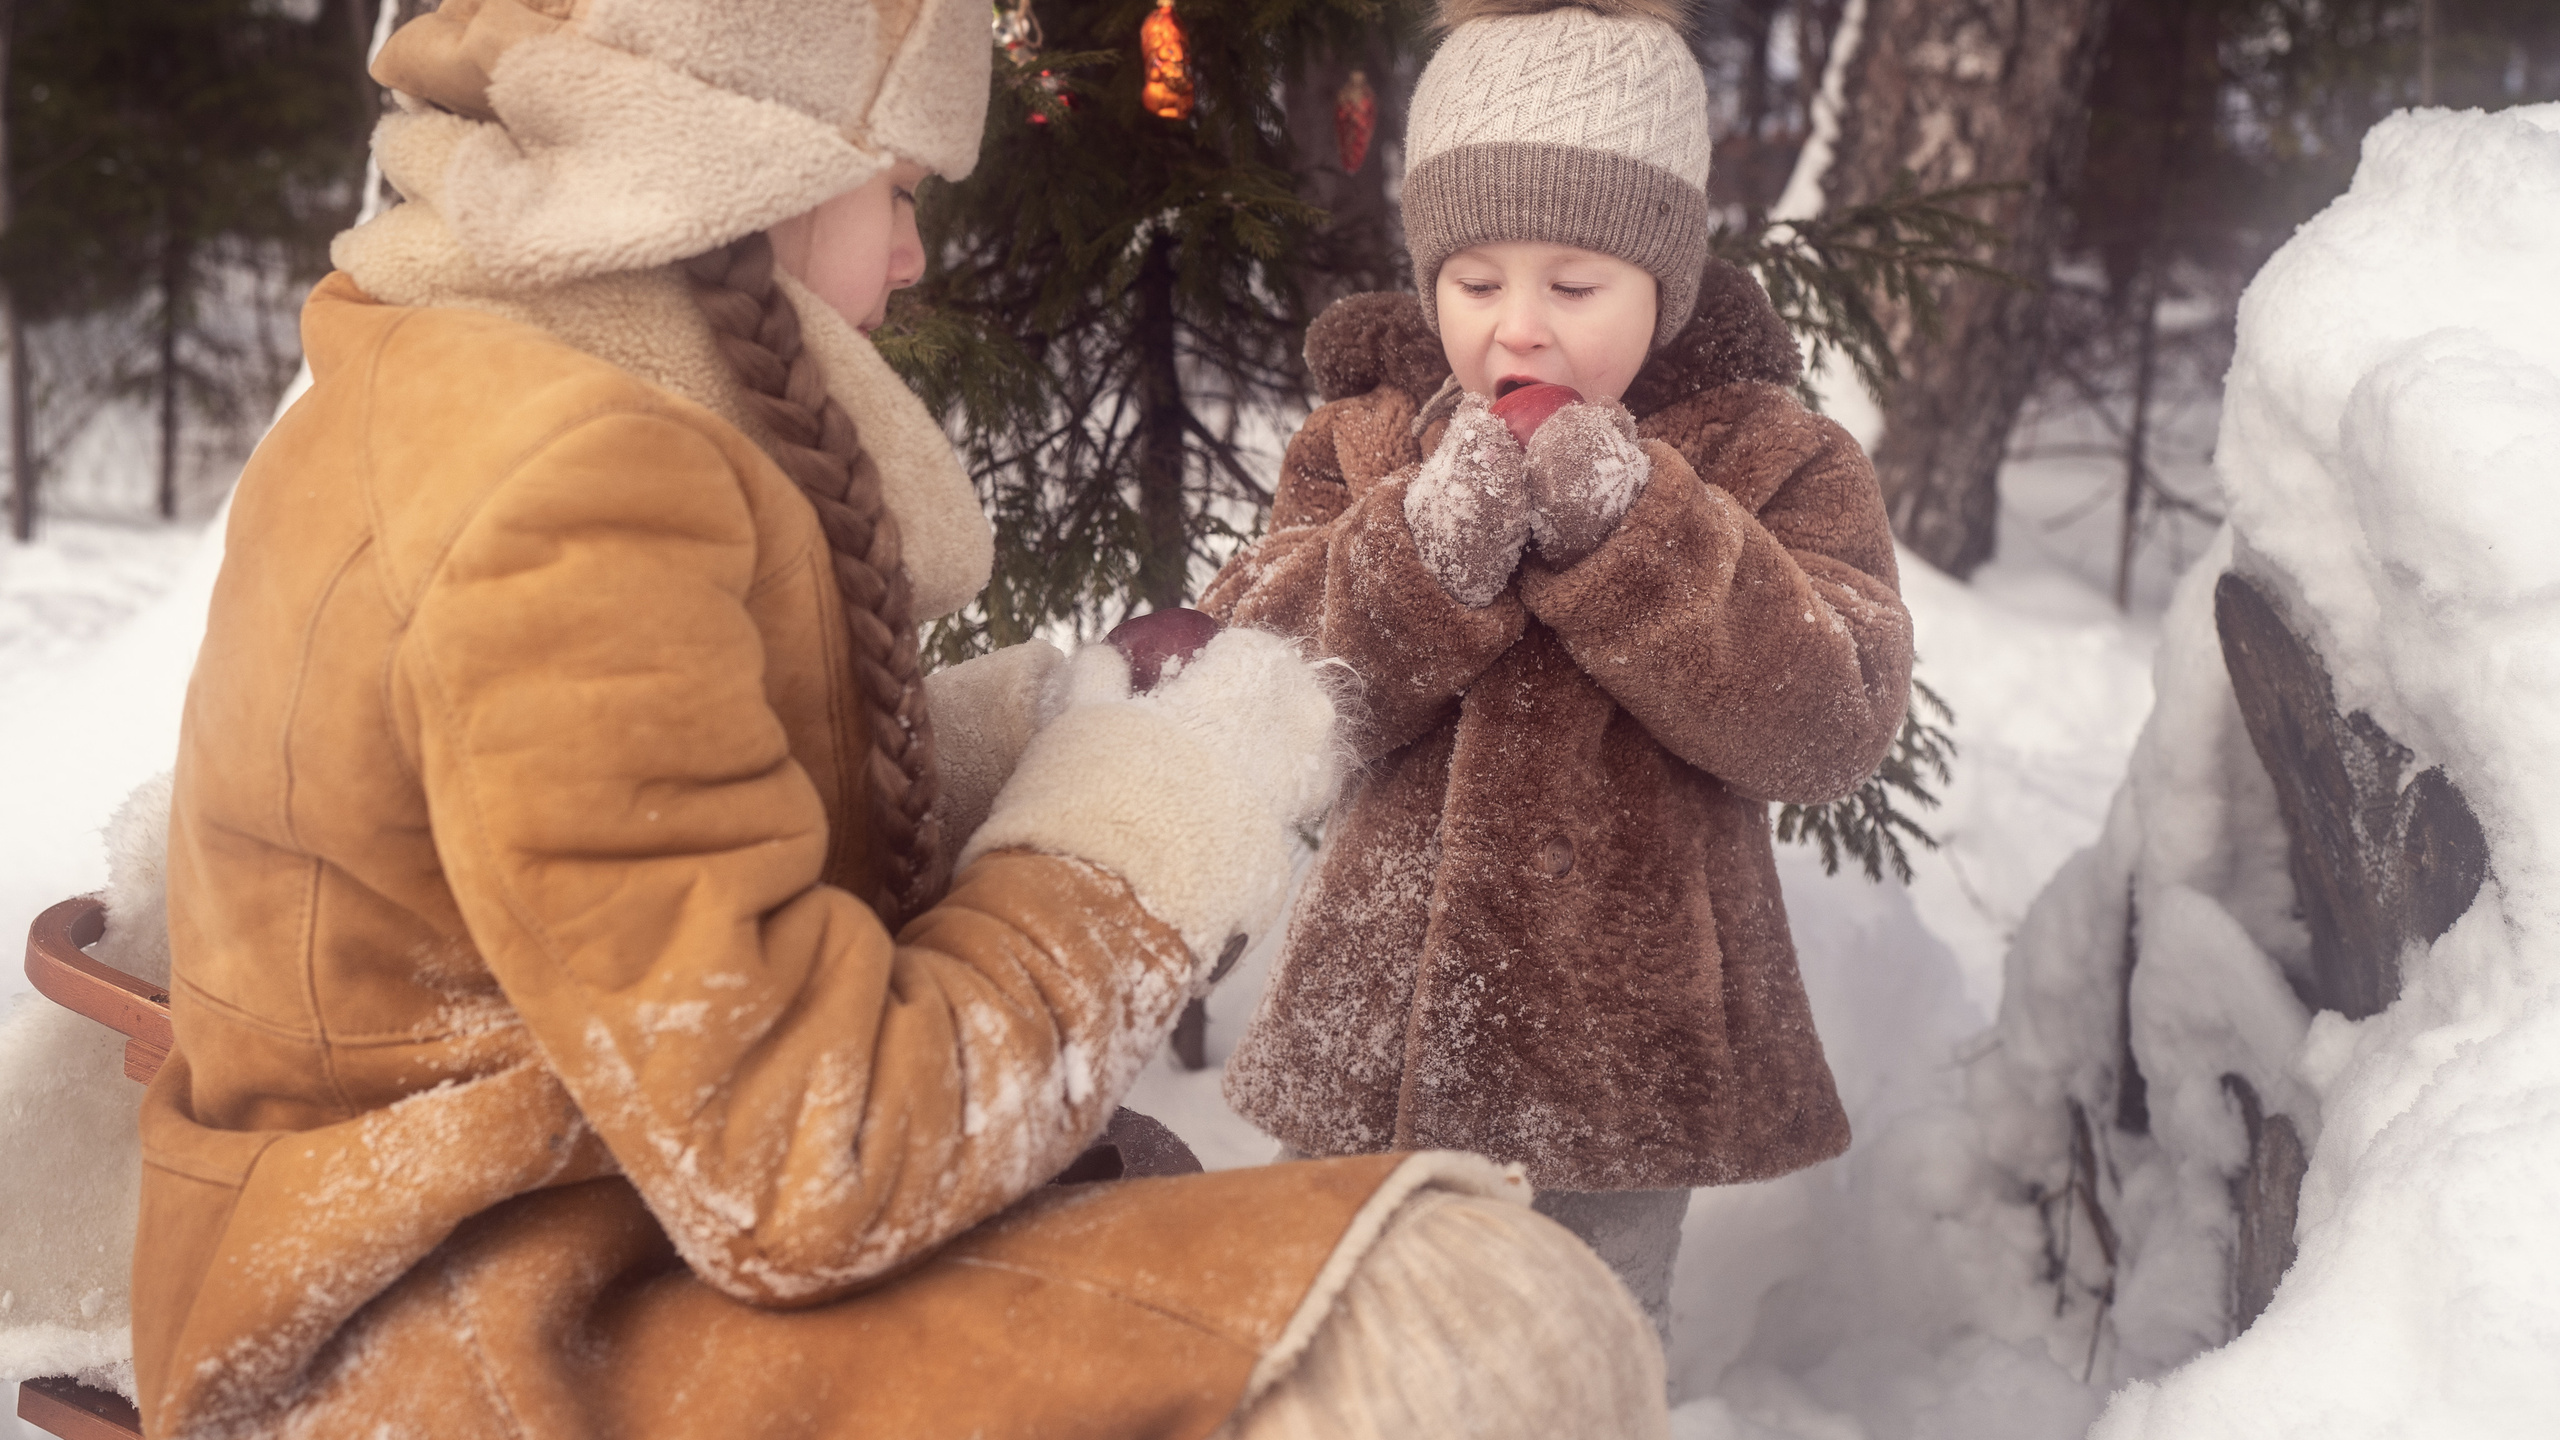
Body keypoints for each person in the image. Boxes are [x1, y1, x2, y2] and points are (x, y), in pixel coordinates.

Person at [128, 1, 1671, 1435]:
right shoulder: (579, 489)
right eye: (904, 192)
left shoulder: (477, 384)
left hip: (525, 1209)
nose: (919, 256)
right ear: (760, 177)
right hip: (473, 1312)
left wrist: (1032, 734)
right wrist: (1141, 831)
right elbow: (810, 1167)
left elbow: (605, 846)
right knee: (1476, 1329)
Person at [1200, 0, 1917, 1343]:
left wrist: (1646, 532)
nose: (1517, 331)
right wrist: (1413, 560)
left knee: (1583, 1350)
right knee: (1364, 1344)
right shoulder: (1362, 444)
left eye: (1574, 286)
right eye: (1475, 282)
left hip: (1627, 1055)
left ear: (1669, 283)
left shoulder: (1775, 461)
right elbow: (1252, 688)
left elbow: (1837, 719)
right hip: (1386, 1038)